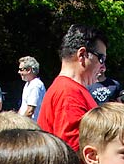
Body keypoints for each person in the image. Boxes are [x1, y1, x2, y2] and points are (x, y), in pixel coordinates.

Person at [38, 24, 107, 153]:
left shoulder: (68, 89)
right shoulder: (69, 93)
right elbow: (73, 153)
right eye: (101, 59)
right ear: (82, 54)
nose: (103, 67)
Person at [17, 56, 46, 121]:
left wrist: (20, 124)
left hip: (33, 127)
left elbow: (30, 111)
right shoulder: (28, 84)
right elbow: (23, 107)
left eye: (21, 69)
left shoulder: (36, 85)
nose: (18, 72)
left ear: (29, 70)